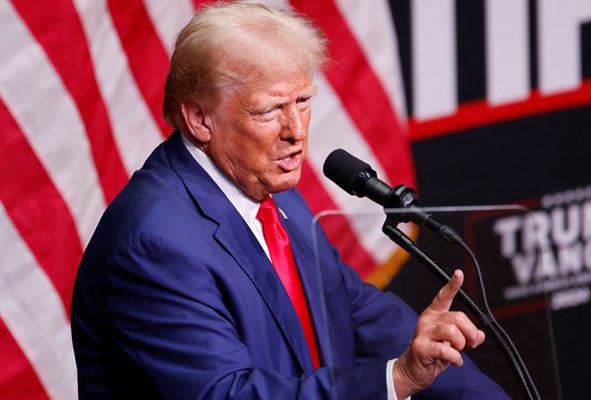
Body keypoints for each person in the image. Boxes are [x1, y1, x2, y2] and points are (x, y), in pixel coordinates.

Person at [70, 1, 511, 399]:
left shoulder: (270, 191)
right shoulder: (153, 246)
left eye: (303, 101)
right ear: (200, 118)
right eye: (268, 110)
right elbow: (228, 395)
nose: (296, 132)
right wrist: (395, 380)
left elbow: (356, 312)